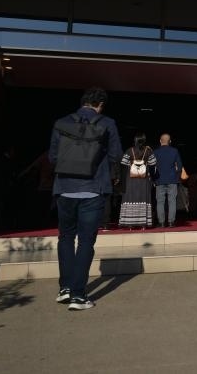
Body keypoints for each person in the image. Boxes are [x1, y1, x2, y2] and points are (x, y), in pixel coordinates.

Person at [48, 87, 122, 311]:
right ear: (100, 105)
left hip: (65, 189)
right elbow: (116, 155)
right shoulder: (107, 123)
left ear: (83, 102)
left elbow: (53, 157)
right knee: (86, 242)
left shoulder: (61, 122)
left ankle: (65, 288)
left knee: (65, 238)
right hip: (93, 189)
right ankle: (78, 295)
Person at [118, 133, 157, 229]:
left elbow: (123, 163)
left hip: (131, 180)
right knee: (143, 199)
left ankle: (130, 224)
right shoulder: (148, 151)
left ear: (135, 140)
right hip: (144, 180)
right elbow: (153, 164)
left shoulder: (129, 150)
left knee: (131, 199)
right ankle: (143, 224)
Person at [153, 133, 183, 228]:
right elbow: (179, 166)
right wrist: (177, 177)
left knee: (160, 202)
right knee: (172, 201)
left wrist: (154, 179)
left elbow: (152, 166)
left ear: (160, 141)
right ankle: (171, 222)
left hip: (159, 180)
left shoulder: (156, 152)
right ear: (170, 141)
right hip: (172, 180)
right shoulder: (174, 151)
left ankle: (161, 222)